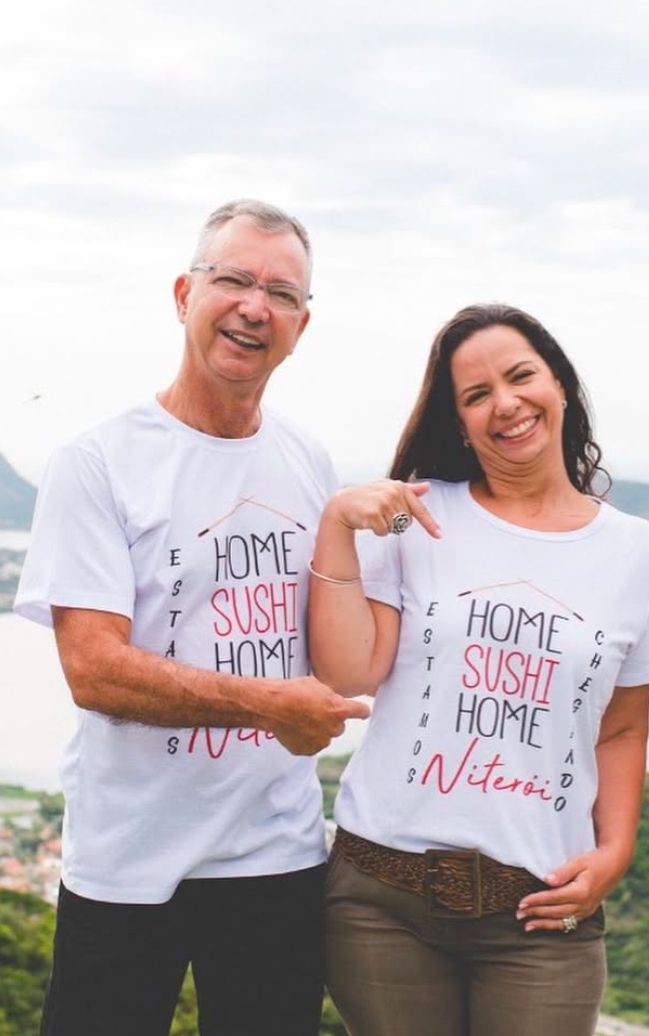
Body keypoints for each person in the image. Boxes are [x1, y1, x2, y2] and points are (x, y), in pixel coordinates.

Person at [14, 198, 369, 1036]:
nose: (255, 306)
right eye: (234, 279)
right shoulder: (98, 462)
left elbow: (330, 635)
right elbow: (93, 668)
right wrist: (267, 704)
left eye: (281, 294)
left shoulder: (308, 459)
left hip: (275, 851)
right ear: (184, 294)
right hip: (128, 857)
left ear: (300, 327)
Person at [308, 303, 649, 1036]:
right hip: (383, 896)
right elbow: (349, 671)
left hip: (539, 911)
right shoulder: (416, 515)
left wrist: (614, 851)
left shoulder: (638, 554)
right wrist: (336, 527)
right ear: (462, 425)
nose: (504, 403)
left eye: (519, 376)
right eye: (475, 396)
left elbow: (622, 727)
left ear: (559, 384)